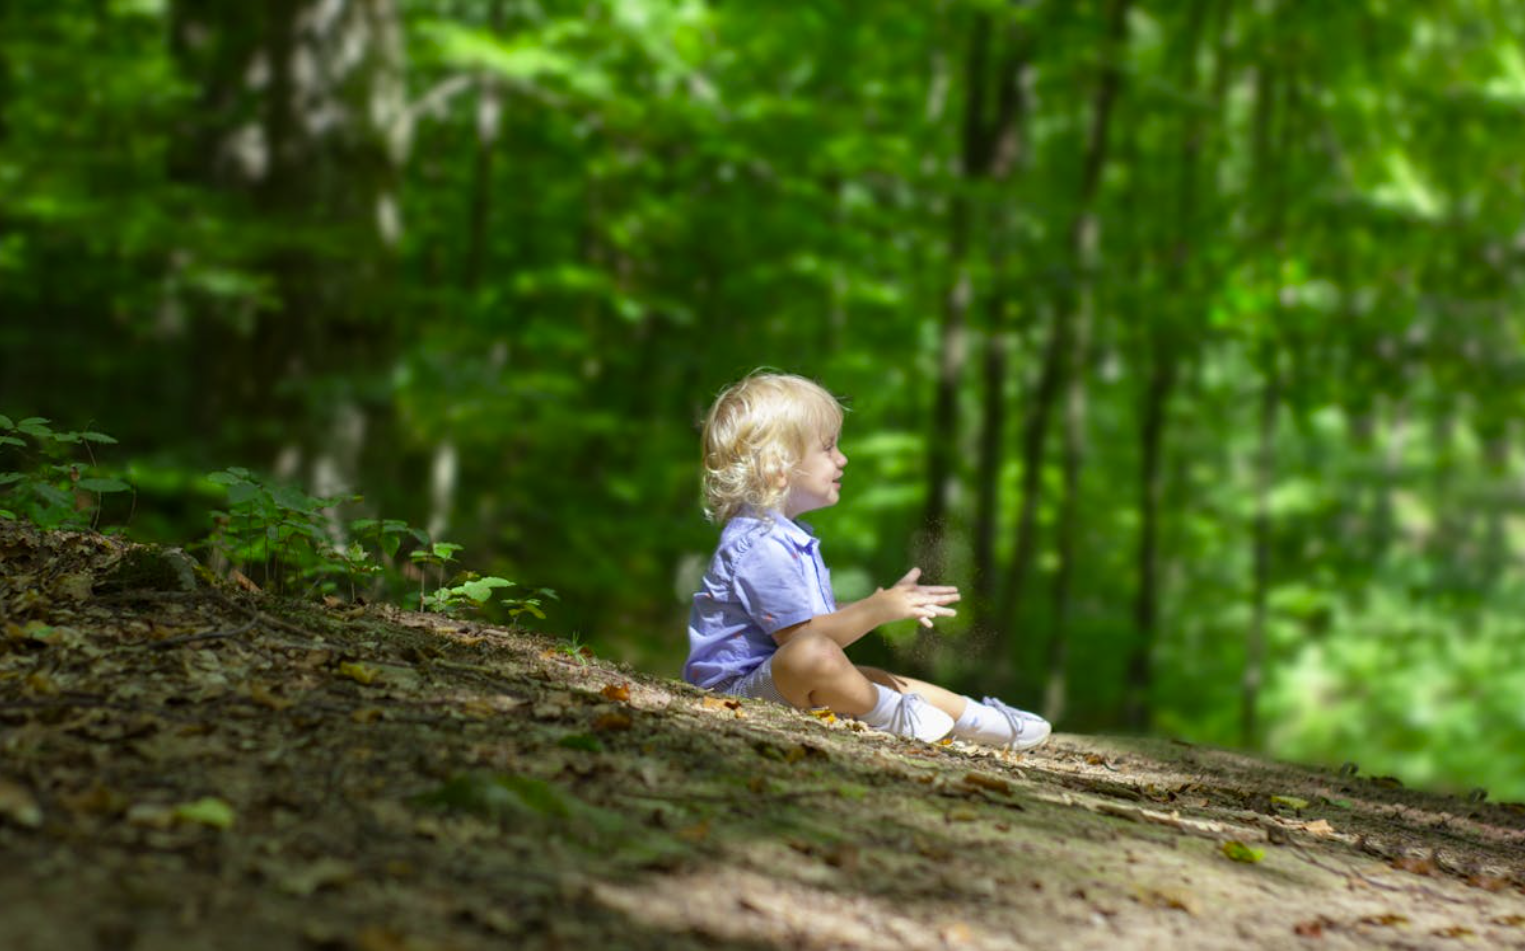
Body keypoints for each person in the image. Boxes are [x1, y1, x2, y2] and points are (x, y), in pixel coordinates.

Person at [683, 371, 1051, 750]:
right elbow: (803, 640)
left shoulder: (784, 537)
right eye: (827, 448)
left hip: (778, 679)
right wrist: (876, 610)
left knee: (869, 675)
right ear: (778, 466)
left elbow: (806, 621)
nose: (842, 459)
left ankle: (981, 720)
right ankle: (897, 716)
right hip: (739, 692)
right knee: (816, 655)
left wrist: (877, 606)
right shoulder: (760, 544)